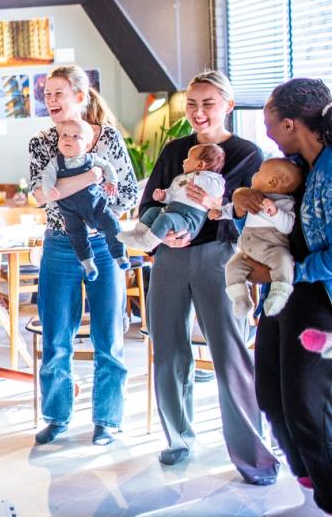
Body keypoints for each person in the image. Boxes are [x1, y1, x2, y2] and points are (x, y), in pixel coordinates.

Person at [139, 69, 279, 484]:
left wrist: (215, 211)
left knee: (230, 356)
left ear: (228, 106)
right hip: (169, 257)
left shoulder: (247, 153)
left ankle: (254, 456)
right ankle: (177, 439)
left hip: (221, 257)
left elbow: (249, 212)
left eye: (208, 104)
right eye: (192, 104)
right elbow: (150, 203)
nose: (198, 112)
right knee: (169, 353)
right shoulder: (174, 150)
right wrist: (166, 237)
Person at [28, 64, 136, 446]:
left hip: (103, 245)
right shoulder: (41, 142)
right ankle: (56, 417)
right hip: (60, 244)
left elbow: (128, 194)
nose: (51, 100)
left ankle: (107, 419)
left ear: (79, 96)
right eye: (47, 94)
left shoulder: (108, 138)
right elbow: (40, 195)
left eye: (58, 93)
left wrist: (77, 196)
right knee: (56, 337)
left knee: (109, 336)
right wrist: (91, 179)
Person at [237, 78, 332, 515]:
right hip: (282, 296)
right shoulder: (290, 167)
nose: (267, 132)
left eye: (269, 122)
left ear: (290, 124)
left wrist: (288, 272)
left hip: (317, 299)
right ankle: (311, 480)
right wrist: (243, 199)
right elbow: (260, 224)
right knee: (271, 398)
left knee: (307, 408)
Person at [212, 158, 303, 317]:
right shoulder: (255, 197)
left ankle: (279, 293)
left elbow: (288, 226)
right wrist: (221, 212)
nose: (254, 174)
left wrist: (275, 212)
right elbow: (235, 208)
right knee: (231, 267)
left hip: (272, 248)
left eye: (259, 172)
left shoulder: (285, 203)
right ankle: (240, 299)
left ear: (272, 181)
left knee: (283, 261)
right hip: (247, 249)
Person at [40, 117, 127, 280]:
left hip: (96, 205)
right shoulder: (55, 162)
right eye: (64, 135)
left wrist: (112, 181)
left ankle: (119, 255)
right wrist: (49, 190)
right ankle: (88, 263)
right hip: (70, 211)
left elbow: (108, 166)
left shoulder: (91, 159)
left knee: (112, 224)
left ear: (87, 146)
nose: (68, 139)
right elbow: (47, 177)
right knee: (76, 235)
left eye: (75, 137)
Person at [120, 143, 226, 251]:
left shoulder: (212, 179)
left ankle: (147, 244)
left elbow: (218, 191)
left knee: (165, 219)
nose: (184, 161)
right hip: (171, 211)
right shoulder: (183, 179)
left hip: (189, 221)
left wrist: (198, 176)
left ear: (200, 165)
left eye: (188, 158)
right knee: (152, 211)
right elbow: (173, 192)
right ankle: (138, 233)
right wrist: (163, 195)